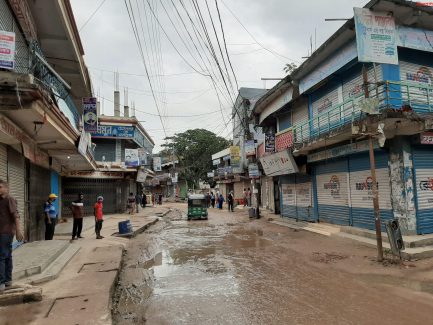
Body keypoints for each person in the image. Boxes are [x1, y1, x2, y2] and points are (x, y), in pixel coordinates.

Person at [0, 180, 24, 292]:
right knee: (7, 256)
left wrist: (19, 231)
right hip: (3, 232)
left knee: (2, 256)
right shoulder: (1, 201)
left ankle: (1, 283)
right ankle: (8, 281)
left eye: (0, 187)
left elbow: (16, 216)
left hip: (6, 232)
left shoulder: (9, 199)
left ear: (6, 188)